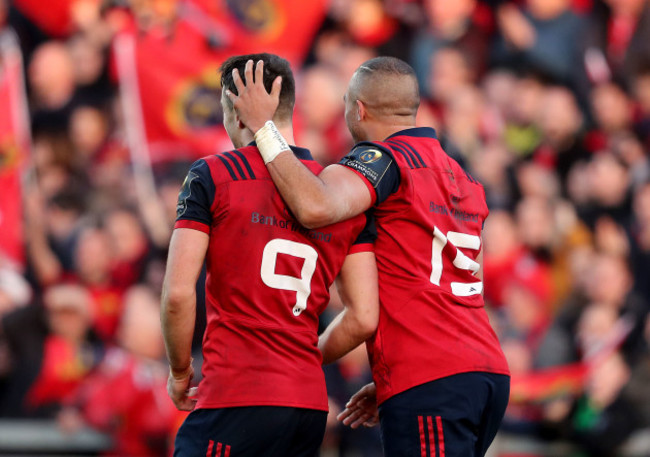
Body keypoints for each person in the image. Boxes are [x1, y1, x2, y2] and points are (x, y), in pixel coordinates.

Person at [227, 56, 510, 457]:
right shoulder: (460, 175)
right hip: (484, 372)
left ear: (358, 108)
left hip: (433, 376)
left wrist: (263, 129)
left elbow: (316, 207)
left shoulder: (385, 159)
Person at [161, 53, 380, 457]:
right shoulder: (342, 193)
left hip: (236, 393)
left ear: (237, 113)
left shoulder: (214, 174)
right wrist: (298, 360)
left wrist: (178, 372)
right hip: (306, 404)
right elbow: (364, 316)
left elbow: (177, 294)